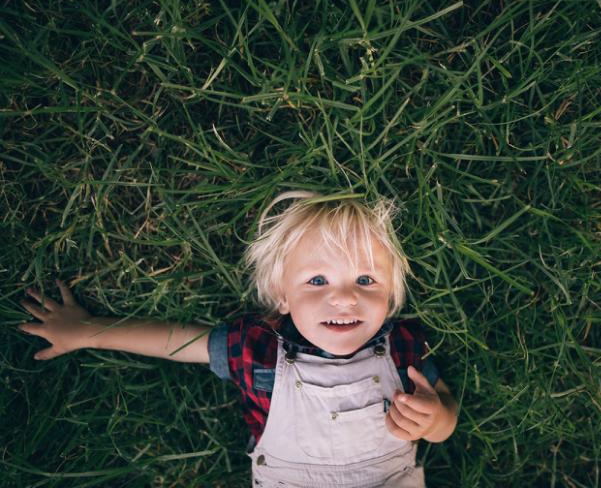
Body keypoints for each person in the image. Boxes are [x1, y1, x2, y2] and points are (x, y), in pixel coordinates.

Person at [20, 190, 458, 487]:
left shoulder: (402, 348)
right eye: (317, 280)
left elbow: (445, 409)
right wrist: (86, 331)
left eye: (365, 280)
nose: (343, 298)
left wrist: (436, 420)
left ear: (390, 296)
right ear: (282, 297)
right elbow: (176, 340)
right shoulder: (259, 351)